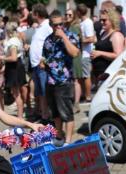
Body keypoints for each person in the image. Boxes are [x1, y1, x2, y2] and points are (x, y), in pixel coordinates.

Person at [42, 10, 80, 145]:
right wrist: (43, 64)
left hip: (65, 81)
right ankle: (59, 136)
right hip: (51, 81)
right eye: (55, 25)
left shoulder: (71, 36)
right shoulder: (48, 40)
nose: (58, 27)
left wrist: (63, 37)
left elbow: (75, 53)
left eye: (60, 24)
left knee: (67, 113)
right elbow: (45, 58)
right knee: (56, 113)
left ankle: (68, 141)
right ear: (50, 25)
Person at [30, 4, 53, 124]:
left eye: (32, 12)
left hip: (42, 66)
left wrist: (44, 60)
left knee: (45, 93)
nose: (31, 14)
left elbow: (51, 44)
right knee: (40, 94)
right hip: (36, 66)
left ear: (37, 14)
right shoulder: (39, 27)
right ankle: (44, 117)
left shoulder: (47, 26)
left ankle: (50, 117)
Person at [91, 9, 124, 87]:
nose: (101, 22)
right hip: (100, 76)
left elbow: (118, 56)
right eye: (100, 20)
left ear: (112, 20)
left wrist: (100, 53)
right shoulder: (103, 33)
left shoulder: (116, 35)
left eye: (104, 20)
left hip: (110, 78)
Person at [1, 22, 27, 119]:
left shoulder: (12, 41)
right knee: (17, 92)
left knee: (16, 94)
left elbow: (14, 57)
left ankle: (20, 116)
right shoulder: (17, 39)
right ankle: (20, 115)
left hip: (14, 67)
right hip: (16, 67)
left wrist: (2, 58)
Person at [65, 8, 83, 114]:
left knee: (76, 80)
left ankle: (76, 104)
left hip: (75, 56)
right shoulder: (68, 26)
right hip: (69, 55)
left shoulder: (75, 27)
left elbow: (73, 42)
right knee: (71, 80)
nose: (67, 16)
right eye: (66, 14)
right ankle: (72, 102)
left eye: (70, 15)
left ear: (74, 16)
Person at [76, 4, 95, 104]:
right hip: (82, 54)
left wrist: (79, 40)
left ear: (79, 12)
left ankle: (88, 96)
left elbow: (91, 38)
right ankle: (84, 95)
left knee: (86, 76)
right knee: (83, 76)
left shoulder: (87, 22)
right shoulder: (82, 22)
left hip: (86, 54)